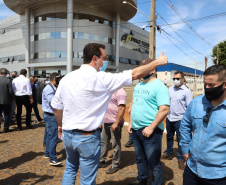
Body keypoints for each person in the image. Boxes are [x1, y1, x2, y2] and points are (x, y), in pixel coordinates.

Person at [51, 43, 168, 185]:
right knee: (87, 179)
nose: (105, 61)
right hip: (87, 137)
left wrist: (60, 126)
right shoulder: (101, 78)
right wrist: (158, 62)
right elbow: (135, 74)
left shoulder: (67, 78)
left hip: (68, 135)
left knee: (70, 169)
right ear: (95, 58)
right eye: (104, 58)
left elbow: (57, 108)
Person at [180, 65, 226, 185]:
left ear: (224, 84)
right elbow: (185, 125)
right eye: (205, 84)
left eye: (211, 85)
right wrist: (185, 149)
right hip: (192, 169)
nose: (207, 88)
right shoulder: (196, 102)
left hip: (218, 175)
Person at [128, 59, 170, 185]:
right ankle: (142, 181)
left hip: (151, 131)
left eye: (146, 68)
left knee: (154, 162)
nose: (142, 71)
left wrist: (151, 127)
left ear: (153, 69)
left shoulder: (159, 86)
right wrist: (130, 123)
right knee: (140, 159)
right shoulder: (139, 86)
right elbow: (133, 105)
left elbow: (164, 109)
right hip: (136, 130)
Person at [161, 71, 192, 170]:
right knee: (169, 136)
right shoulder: (170, 89)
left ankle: (180, 158)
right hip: (170, 118)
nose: (176, 81)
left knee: (180, 140)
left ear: (183, 79)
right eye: (174, 79)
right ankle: (169, 153)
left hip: (180, 119)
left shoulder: (187, 91)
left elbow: (189, 107)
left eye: (178, 79)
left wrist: (188, 121)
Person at [99, 88, 127, 174]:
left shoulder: (120, 91)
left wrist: (117, 122)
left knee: (115, 145)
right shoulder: (108, 90)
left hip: (115, 123)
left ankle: (115, 165)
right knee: (103, 142)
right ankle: (101, 161)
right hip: (106, 122)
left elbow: (122, 108)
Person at [42, 73, 62, 166]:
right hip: (50, 115)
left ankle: (48, 153)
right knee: (53, 137)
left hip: (50, 115)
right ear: (55, 79)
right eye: (59, 79)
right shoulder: (49, 89)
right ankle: (53, 159)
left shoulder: (51, 87)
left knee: (50, 136)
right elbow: (53, 102)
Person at [0, 68, 14, 133]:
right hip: (6, 100)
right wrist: (12, 98)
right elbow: (11, 92)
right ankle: (6, 128)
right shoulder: (8, 81)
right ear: (6, 74)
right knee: (6, 115)